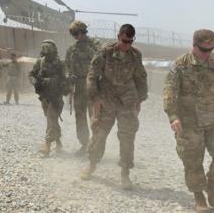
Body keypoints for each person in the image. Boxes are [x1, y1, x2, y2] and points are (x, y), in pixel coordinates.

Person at [163, 29, 214, 211]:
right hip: (188, 122)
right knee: (192, 160)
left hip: (213, 119)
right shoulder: (181, 65)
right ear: (194, 46)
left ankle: (211, 184)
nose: (208, 53)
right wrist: (173, 116)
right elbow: (170, 91)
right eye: (204, 49)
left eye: (211, 49)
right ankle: (198, 194)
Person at [81, 24, 147, 190]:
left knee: (127, 137)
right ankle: (92, 164)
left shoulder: (135, 55)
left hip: (127, 101)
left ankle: (125, 173)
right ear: (118, 37)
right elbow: (92, 75)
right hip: (106, 99)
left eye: (130, 41)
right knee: (99, 134)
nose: (127, 45)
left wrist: (139, 99)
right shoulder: (105, 52)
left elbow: (141, 77)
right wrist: (95, 98)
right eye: (124, 41)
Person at [65, 20, 102, 155]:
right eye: (74, 34)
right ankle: (84, 144)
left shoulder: (95, 44)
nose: (76, 37)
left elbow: (101, 59)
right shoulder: (72, 49)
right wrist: (69, 75)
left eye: (78, 33)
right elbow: (67, 66)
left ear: (83, 31)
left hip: (93, 85)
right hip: (79, 87)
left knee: (95, 116)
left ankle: (96, 145)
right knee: (80, 117)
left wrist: (86, 47)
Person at [29, 40, 69, 157]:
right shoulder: (40, 63)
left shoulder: (60, 64)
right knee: (52, 120)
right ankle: (58, 141)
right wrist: (35, 81)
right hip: (44, 97)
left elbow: (65, 78)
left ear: (53, 52)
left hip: (56, 97)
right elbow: (31, 74)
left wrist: (59, 83)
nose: (47, 56)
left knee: (51, 118)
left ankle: (47, 145)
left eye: (49, 54)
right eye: (45, 54)